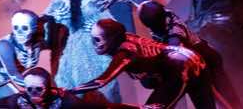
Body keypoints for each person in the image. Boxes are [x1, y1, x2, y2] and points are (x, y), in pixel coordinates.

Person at [70, 19, 215, 109]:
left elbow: (101, 81)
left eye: (97, 39)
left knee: (154, 107)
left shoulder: (125, 53)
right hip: (192, 60)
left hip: (181, 67)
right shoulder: (126, 38)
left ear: (111, 39)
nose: (94, 44)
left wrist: (68, 91)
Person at [44, 0, 124, 103]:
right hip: (71, 57)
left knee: (100, 95)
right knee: (74, 94)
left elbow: (115, 31)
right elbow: (45, 32)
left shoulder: (93, 2)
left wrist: (98, 29)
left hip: (92, 54)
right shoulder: (60, 1)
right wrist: (54, 22)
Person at [138, 0, 243, 109]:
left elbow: (175, 55)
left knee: (228, 101)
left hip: (206, 61)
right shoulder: (165, 15)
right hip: (194, 64)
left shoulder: (175, 35)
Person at [0, 67, 139, 108]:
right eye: (29, 89)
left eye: (38, 89)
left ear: (48, 88)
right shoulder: (18, 101)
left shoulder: (63, 101)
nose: (33, 94)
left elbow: (103, 108)